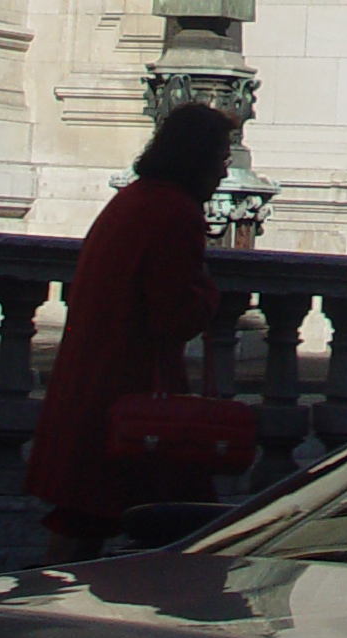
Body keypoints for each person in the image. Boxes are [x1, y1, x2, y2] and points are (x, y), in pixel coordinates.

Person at [25, 100, 232, 563]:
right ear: (197, 158)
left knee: (84, 514)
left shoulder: (134, 200)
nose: (222, 173)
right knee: (186, 524)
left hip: (98, 386)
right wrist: (209, 297)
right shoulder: (175, 212)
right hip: (135, 396)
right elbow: (172, 315)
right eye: (220, 160)